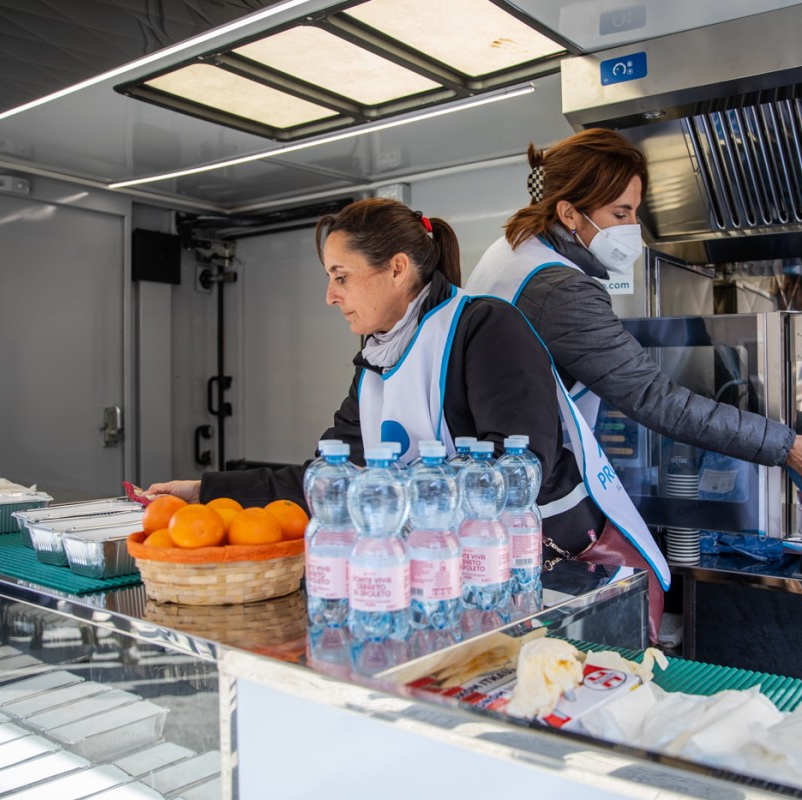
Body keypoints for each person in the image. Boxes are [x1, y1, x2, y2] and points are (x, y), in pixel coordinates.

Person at [145, 198, 670, 638]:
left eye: (341, 276)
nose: (330, 296)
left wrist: (395, 503)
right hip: (446, 584)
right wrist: (205, 490)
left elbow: (518, 474)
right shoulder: (376, 362)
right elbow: (331, 481)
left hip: (553, 580)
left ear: (397, 269)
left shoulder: (485, 327)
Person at [465, 128, 802, 494]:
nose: (632, 228)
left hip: (499, 467)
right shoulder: (560, 287)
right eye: (620, 214)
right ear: (569, 214)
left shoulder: (512, 249)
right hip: (522, 484)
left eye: (635, 213)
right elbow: (655, 398)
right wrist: (788, 447)